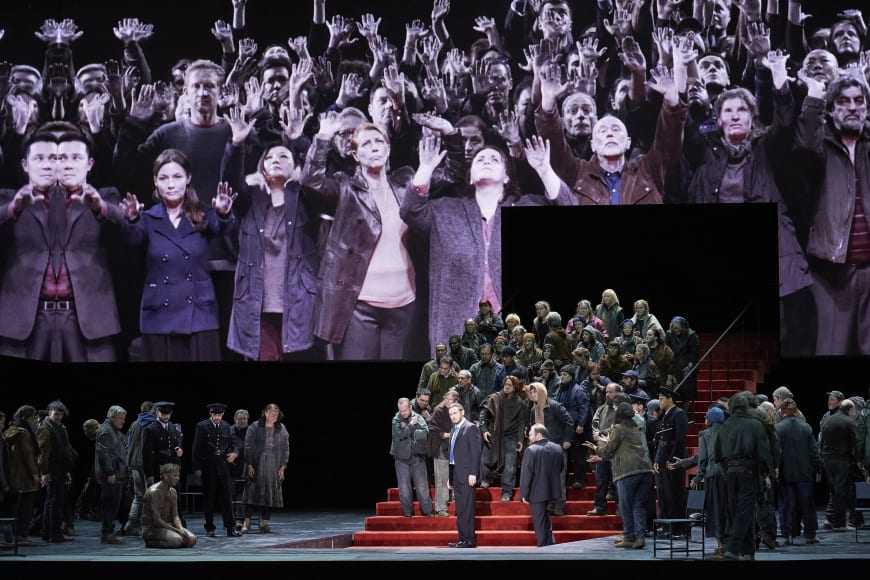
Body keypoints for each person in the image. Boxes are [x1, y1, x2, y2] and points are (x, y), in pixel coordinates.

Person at [401, 131, 574, 356]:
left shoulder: (527, 205)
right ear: (470, 178)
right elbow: (410, 211)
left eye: (494, 160)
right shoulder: (444, 209)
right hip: (458, 326)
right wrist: (425, 168)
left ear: (506, 177)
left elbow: (568, 205)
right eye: (480, 159)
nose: (486, 161)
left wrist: (543, 169)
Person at [299, 115, 425, 360]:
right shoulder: (345, 187)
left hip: (403, 302)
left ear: (388, 149)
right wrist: (323, 137)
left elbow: (449, 177)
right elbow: (310, 181)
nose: (374, 146)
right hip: (360, 304)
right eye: (366, 143)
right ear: (355, 155)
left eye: (379, 141)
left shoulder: (405, 182)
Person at [0, 127, 126, 362]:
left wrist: (101, 207)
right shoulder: (9, 199)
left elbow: (128, 230)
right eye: (42, 158)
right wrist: (12, 210)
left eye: (73, 158)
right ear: (25, 165)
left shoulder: (106, 196)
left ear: (89, 164)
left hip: (92, 319)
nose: (58, 165)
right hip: (21, 319)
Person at [119, 148, 237, 361]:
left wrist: (224, 213)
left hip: (199, 316)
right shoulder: (147, 218)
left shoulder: (203, 216)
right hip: (159, 316)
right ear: (155, 181)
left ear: (188, 178)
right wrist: (132, 219)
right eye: (163, 178)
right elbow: (133, 238)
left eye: (177, 177)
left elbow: (223, 228)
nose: (171, 184)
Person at [224, 138, 325, 361]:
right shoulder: (249, 200)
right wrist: (236, 145)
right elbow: (230, 181)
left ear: (297, 167)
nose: (275, 160)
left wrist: (300, 144)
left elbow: (318, 180)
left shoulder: (306, 199)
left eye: (283, 156)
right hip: (257, 305)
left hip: (299, 305)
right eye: (269, 158)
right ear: (262, 168)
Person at [793, 74, 870, 355]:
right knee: (831, 352)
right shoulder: (820, 146)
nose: (852, 107)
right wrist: (814, 96)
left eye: (858, 101)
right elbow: (804, 143)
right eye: (843, 101)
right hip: (830, 274)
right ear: (832, 109)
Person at [585, 401, 655, 549]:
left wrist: (595, 448)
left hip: (628, 472)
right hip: (646, 471)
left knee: (625, 506)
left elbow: (608, 450)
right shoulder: (636, 428)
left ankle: (629, 536)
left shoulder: (619, 428)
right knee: (638, 505)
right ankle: (640, 536)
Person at [714, 391, 773, 561]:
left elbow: (718, 454)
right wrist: (766, 474)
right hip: (749, 472)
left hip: (731, 473)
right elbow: (763, 453)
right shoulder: (755, 424)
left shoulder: (726, 425)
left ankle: (746, 550)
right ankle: (738, 549)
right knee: (745, 510)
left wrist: (728, 470)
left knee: (736, 511)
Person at [775, 397, 821, 546]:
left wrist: (775, 469)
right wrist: (817, 468)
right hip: (804, 473)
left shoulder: (778, 428)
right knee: (807, 504)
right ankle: (810, 535)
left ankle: (787, 534)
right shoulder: (806, 427)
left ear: (782, 411)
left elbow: (776, 453)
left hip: (785, 473)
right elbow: (814, 452)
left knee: (787, 505)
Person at [191, 403, 241, 538]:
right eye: (215, 415)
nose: (217, 417)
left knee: (227, 499)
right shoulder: (202, 426)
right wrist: (196, 468)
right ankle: (209, 527)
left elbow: (234, 444)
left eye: (219, 415)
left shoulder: (225, 426)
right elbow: (196, 448)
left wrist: (234, 453)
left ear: (222, 414)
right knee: (209, 499)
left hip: (223, 467)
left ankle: (230, 528)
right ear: (211, 414)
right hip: (208, 467)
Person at [525, 383, 573, 516]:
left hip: (556, 447)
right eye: (531, 392)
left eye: (535, 392)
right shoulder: (532, 410)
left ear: (541, 392)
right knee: (545, 478)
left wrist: (567, 440)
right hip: (540, 450)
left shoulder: (554, 406)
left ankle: (559, 506)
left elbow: (569, 421)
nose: (532, 395)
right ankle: (550, 505)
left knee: (559, 478)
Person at [241, 403, 289, 534]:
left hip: (273, 464)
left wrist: (283, 467)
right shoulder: (256, 426)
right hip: (257, 463)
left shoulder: (281, 428)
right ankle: (246, 523)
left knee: (269, 494)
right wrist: (250, 464)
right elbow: (248, 446)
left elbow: (285, 448)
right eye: (271, 413)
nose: (273, 416)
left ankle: (264, 524)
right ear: (265, 413)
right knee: (251, 494)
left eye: (276, 414)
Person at [480, 374, 528, 500]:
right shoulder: (495, 397)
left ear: (515, 387)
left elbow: (521, 422)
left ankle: (507, 492)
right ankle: (487, 477)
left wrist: (520, 440)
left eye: (509, 385)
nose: (506, 387)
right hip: (494, 433)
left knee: (510, 466)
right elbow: (483, 413)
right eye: (505, 384)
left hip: (511, 436)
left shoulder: (519, 403)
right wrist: (484, 430)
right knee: (488, 459)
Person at [36, 399, 77, 543]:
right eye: (56, 414)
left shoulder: (58, 427)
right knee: (54, 502)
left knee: (52, 501)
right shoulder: (46, 428)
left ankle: (48, 533)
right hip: (52, 470)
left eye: (60, 414)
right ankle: (54, 534)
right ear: (49, 413)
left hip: (59, 469)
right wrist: (44, 472)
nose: (58, 417)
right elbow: (43, 452)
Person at [520, 423, 565, 547]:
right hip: (552, 491)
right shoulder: (558, 448)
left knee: (540, 522)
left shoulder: (531, 450)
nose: (529, 437)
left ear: (538, 435)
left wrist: (524, 493)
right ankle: (550, 543)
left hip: (537, 492)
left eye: (530, 435)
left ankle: (543, 548)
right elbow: (561, 467)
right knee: (546, 518)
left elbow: (526, 474)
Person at [653, 386, 689, 537]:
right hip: (663, 459)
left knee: (675, 493)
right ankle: (666, 524)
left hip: (673, 460)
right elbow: (661, 440)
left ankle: (678, 528)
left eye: (662, 399)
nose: (659, 401)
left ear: (670, 399)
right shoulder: (665, 415)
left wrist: (672, 459)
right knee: (663, 494)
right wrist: (657, 459)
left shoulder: (679, 413)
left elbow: (679, 440)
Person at [391, 397, 434, 518]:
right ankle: (407, 511)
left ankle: (427, 510)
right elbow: (399, 434)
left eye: (405, 410)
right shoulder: (396, 419)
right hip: (401, 457)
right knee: (404, 486)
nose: (403, 413)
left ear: (410, 407)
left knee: (422, 485)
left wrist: (410, 429)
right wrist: (411, 426)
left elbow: (425, 433)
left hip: (417, 456)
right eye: (401, 411)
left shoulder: (418, 417)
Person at [3, 405, 40, 545]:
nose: (34, 420)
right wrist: (35, 474)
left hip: (13, 476)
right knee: (26, 507)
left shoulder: (10, 430)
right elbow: (28, 455)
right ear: (26, 417)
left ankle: (11, 530)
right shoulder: (24, 433)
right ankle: (23, 536)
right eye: (32, 417)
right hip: (25, 476)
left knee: (14, 507)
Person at [447, 403, 481, 548]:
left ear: (462, 412)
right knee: (460, 509)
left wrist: (473, 473)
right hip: (456, 474)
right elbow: (451, 457)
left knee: (467, 508)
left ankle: (469, 539)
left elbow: (476, 453)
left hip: (467, 475)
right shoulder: (453, 429)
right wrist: (450, 477)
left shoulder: (470, 428)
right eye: (451, 414)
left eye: (455, 413)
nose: (453, 416)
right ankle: (462, 538)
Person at [142, 463, 197, 549]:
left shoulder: (173, 492)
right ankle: (151, 542)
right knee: (177, 540)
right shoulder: (154, 492)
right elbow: (156, 520)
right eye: (175, 476)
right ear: (165, 476)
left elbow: (175, 515)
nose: (178, 478)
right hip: (153, 528)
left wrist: (181, 528)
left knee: (192, 539)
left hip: (168, 526)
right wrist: (176, 530)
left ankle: (171, 539)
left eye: (178, 476)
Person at [94, 405, 128, 545]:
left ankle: (109, 532)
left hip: (118, 473)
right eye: (120, 418)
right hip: (112, 475)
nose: (122, 421)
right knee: (109, 505)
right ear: (111, 417)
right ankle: (106, 534)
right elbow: (104, 453)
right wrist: (110, 472)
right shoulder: (107, 431)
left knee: (114, 505)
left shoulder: (114, 431)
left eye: (123, 419)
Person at [123, 400, 156, 536]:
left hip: (133, 463)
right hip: (146, 464)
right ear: (151, 410)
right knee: (149, 496)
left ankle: (131, 524)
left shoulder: (133, 424)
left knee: (139, 495)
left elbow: (127, 444)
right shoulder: (153, 423)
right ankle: (146, 526)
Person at [428, 390, 460, 517]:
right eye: (446, 399)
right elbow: (432, 428)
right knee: (442, 479)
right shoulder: (439, 411)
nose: (447, 401)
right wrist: (444, 434)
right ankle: (441, 507)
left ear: (456, 401)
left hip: (456, 449)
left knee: (457, 477)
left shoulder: (459, 412)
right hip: (441, 449)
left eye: (450, 399)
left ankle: (458, 502)